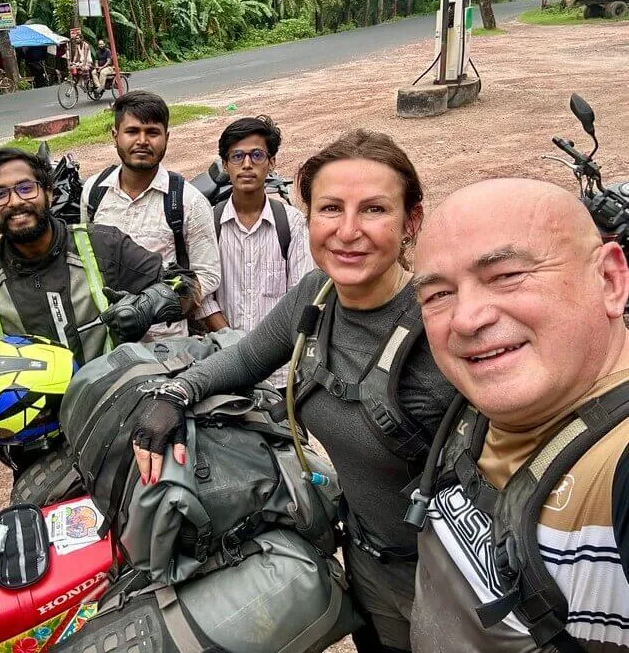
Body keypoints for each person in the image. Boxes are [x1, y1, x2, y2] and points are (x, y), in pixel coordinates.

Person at [126, 130, 459, 653]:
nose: (348, 232)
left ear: (411, 221)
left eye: (373, 209)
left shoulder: (445, 327)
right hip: (368, 560)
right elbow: (245, 358)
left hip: (452, 581)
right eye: (330, 209)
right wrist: (173, 394)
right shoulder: (316, 296)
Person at [409, 178, 629, 653]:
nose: (466, 319)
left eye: (507, 275)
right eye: (438, 295)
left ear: (610, 280)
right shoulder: (475, 408)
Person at [0, 147, 199, 474]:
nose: (16, 201)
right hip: (33, 445)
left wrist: (148, 306)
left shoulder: (101, 245)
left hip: (117, 424)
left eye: (25, 187)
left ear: (47, 191)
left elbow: (187, 284)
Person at [81, 91, 221, 338]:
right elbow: (87, 257)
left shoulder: (188, 201)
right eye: (132, 131)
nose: (142, 141)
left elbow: (207, 275)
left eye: (152, 132)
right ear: (115, 136)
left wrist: (154, 304)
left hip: (166, 347)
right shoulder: (94, 192)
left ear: (166, 137)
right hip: (106, 341)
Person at [196, 116, 314, 391]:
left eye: (256, 155)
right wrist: (234, 344)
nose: (247, 165)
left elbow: (301, 296)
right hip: (226, 368)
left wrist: (264, 351)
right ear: (225, 164)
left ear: (271, 163)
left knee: (289, 433)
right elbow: (203, 296)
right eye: (237, 156)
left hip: (282, 373)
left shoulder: (292, 223)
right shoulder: (210, 224)